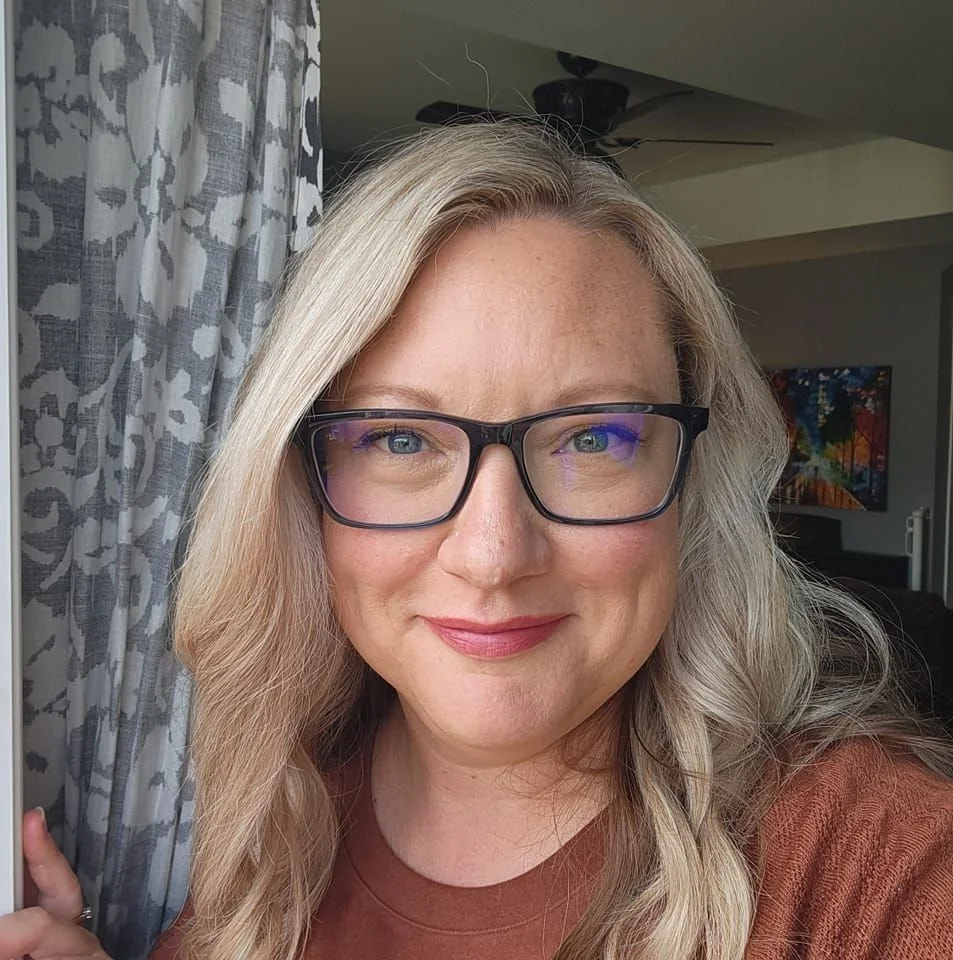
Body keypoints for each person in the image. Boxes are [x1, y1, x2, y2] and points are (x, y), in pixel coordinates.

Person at [3, 121, 953, 960]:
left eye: (594, 436)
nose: (493, 556)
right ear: (300, 487)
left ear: (690, 481)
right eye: (400, 439)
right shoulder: (273, 842)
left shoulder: (883, 873)